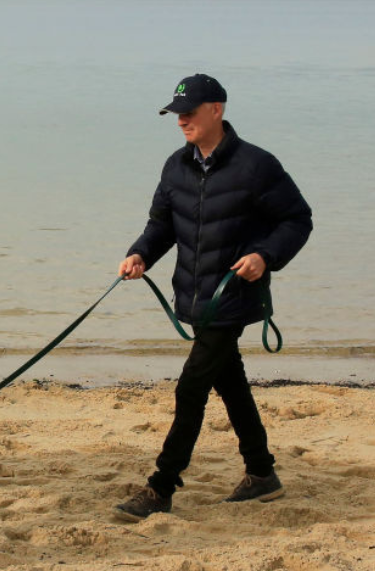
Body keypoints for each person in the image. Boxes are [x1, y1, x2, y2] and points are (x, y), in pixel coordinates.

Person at [114, 74, 313, 522]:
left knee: (191, 388)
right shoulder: (175, 166)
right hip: (194, 295)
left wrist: (265, 254)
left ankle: (161, 486)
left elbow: (297, 220)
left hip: (235, 296)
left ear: (217, 109)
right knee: (231, 383)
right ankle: (262, 474)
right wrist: (140, 253)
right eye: (175, 112)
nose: (181, 119)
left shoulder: (257, 166)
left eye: (190, 111)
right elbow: (162, 225)